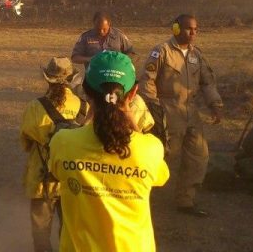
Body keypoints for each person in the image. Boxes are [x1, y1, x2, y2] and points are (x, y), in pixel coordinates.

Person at [49, 51, 169, 251]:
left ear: (86, 92)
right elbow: (160, 177)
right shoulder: (150, 148)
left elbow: (55, 170)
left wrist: (87, 120)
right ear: (133, 93)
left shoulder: (63, 143)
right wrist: (131, 117)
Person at [138, 14, 223, 217]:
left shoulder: (196, 56)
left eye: (195, 29)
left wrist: (215, 104)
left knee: (199, 156)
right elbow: (147, 80)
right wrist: (154, 108)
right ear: (176, 29)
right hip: (167, 110)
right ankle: (142, 196)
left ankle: (185, 200)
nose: (193, 33)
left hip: (191, 111)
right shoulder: (161, 52)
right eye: (188, 29)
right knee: (165, 155)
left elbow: (207, 83)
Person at [20, 57, 85, 252]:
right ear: (72, 79)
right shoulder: (84, 107)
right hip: (72, 180)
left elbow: (26, 142)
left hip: (41, 179)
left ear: (47, 79)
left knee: (40, 231)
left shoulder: (35, 107)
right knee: (70, 229)